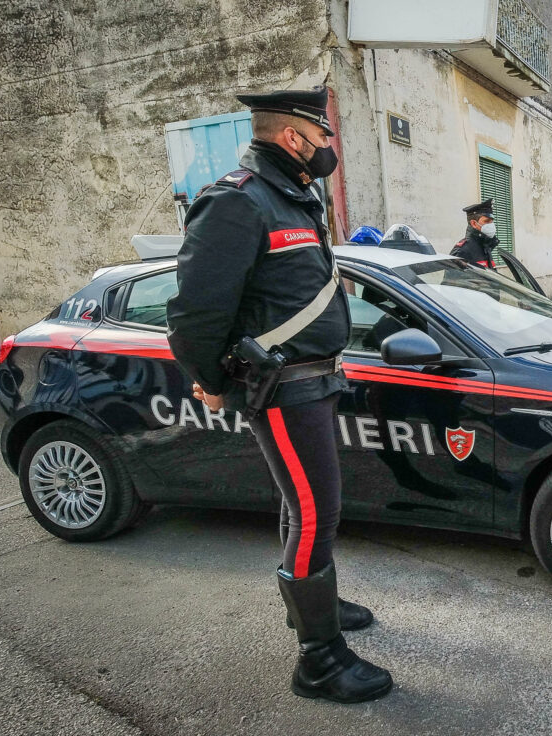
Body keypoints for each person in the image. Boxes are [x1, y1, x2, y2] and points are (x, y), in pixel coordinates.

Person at [165, 86, 393, 704]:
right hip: (283, 386)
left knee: (307, 507)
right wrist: (212, 380)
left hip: (314, 379)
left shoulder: (293, 197)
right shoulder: (239, 203)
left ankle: (315, 607)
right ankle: (318, 660)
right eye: (323, 137)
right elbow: (194, 314)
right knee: (317, 511)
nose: (328, 148)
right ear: (292, 137)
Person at [451, 199, 499, 270]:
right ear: (474, 223)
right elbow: (454, 280)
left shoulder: (485, 246)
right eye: (487, 221)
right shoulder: (462, 250)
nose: (491, 225)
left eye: (492, 222)